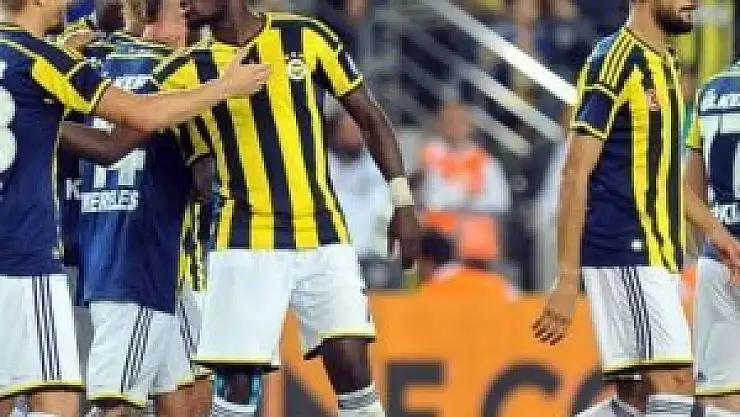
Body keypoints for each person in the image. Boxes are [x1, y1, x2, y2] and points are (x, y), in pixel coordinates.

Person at [151, 2, 421, 416]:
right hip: (244, 237)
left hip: (322, 232)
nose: (183, 2)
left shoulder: (306, 37)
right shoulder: (183, 72)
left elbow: (369, 118)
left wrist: (402, 202)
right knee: (237, 386)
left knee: (352, 368)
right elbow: (175, 147)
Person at [0, 0, 270, 409]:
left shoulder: (79, 54)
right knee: (71, 403)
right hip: (64, 255)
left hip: (163, 265)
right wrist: (225, 87)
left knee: (188, 396)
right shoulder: (50, 59)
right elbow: (139, 120)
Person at [531, 1, 740, 416]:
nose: (692, 2)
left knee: (637, 401)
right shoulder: (615, 59)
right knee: (676, 384)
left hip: (656, 253)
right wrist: (567, 276)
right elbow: (575, 171)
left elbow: (664, 176)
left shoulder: (665, 63)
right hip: (626, 247)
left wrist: (717, 233)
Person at [685, 62, 740, 416]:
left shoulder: (710, 91)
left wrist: (713, 247)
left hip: (719, 262)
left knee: (721, 401)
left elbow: (691, 189)